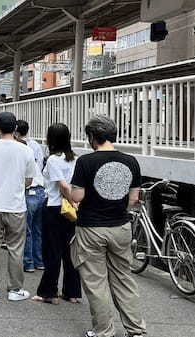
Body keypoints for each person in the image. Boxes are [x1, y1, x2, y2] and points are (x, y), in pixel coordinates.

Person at [70, 115, 145, 337]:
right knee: (124, 279)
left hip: (91, 228)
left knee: (96, 282)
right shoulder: (131, 161)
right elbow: (133, 199)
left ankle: (104, 331)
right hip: (120, 227)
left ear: (93, 137)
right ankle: (136, 329)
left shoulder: (85, 162)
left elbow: (77, 195)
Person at [0, 112, 37, 301]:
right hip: (17, 205)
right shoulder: (26, 150)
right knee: (16, 248)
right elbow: (29, 180)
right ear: (16, 128)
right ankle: (15, 289)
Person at [31, 123, 81, 305]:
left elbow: (63, 185)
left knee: (52, 251)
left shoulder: (53, 160)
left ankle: (48, 293)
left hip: (55, 208)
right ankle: (73, 292)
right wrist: (76, 204)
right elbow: (74, 184)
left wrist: (71, 201)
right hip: (72, 212)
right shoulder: (75, 158)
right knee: (70, 251)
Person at [15, 120, 46, 273]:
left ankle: (28, 263)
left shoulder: (20, 156)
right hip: (41, 192)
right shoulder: (34, 148)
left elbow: (24, 180)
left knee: (26, 231)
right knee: (38, 229)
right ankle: (39, 261)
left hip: (29, 193)